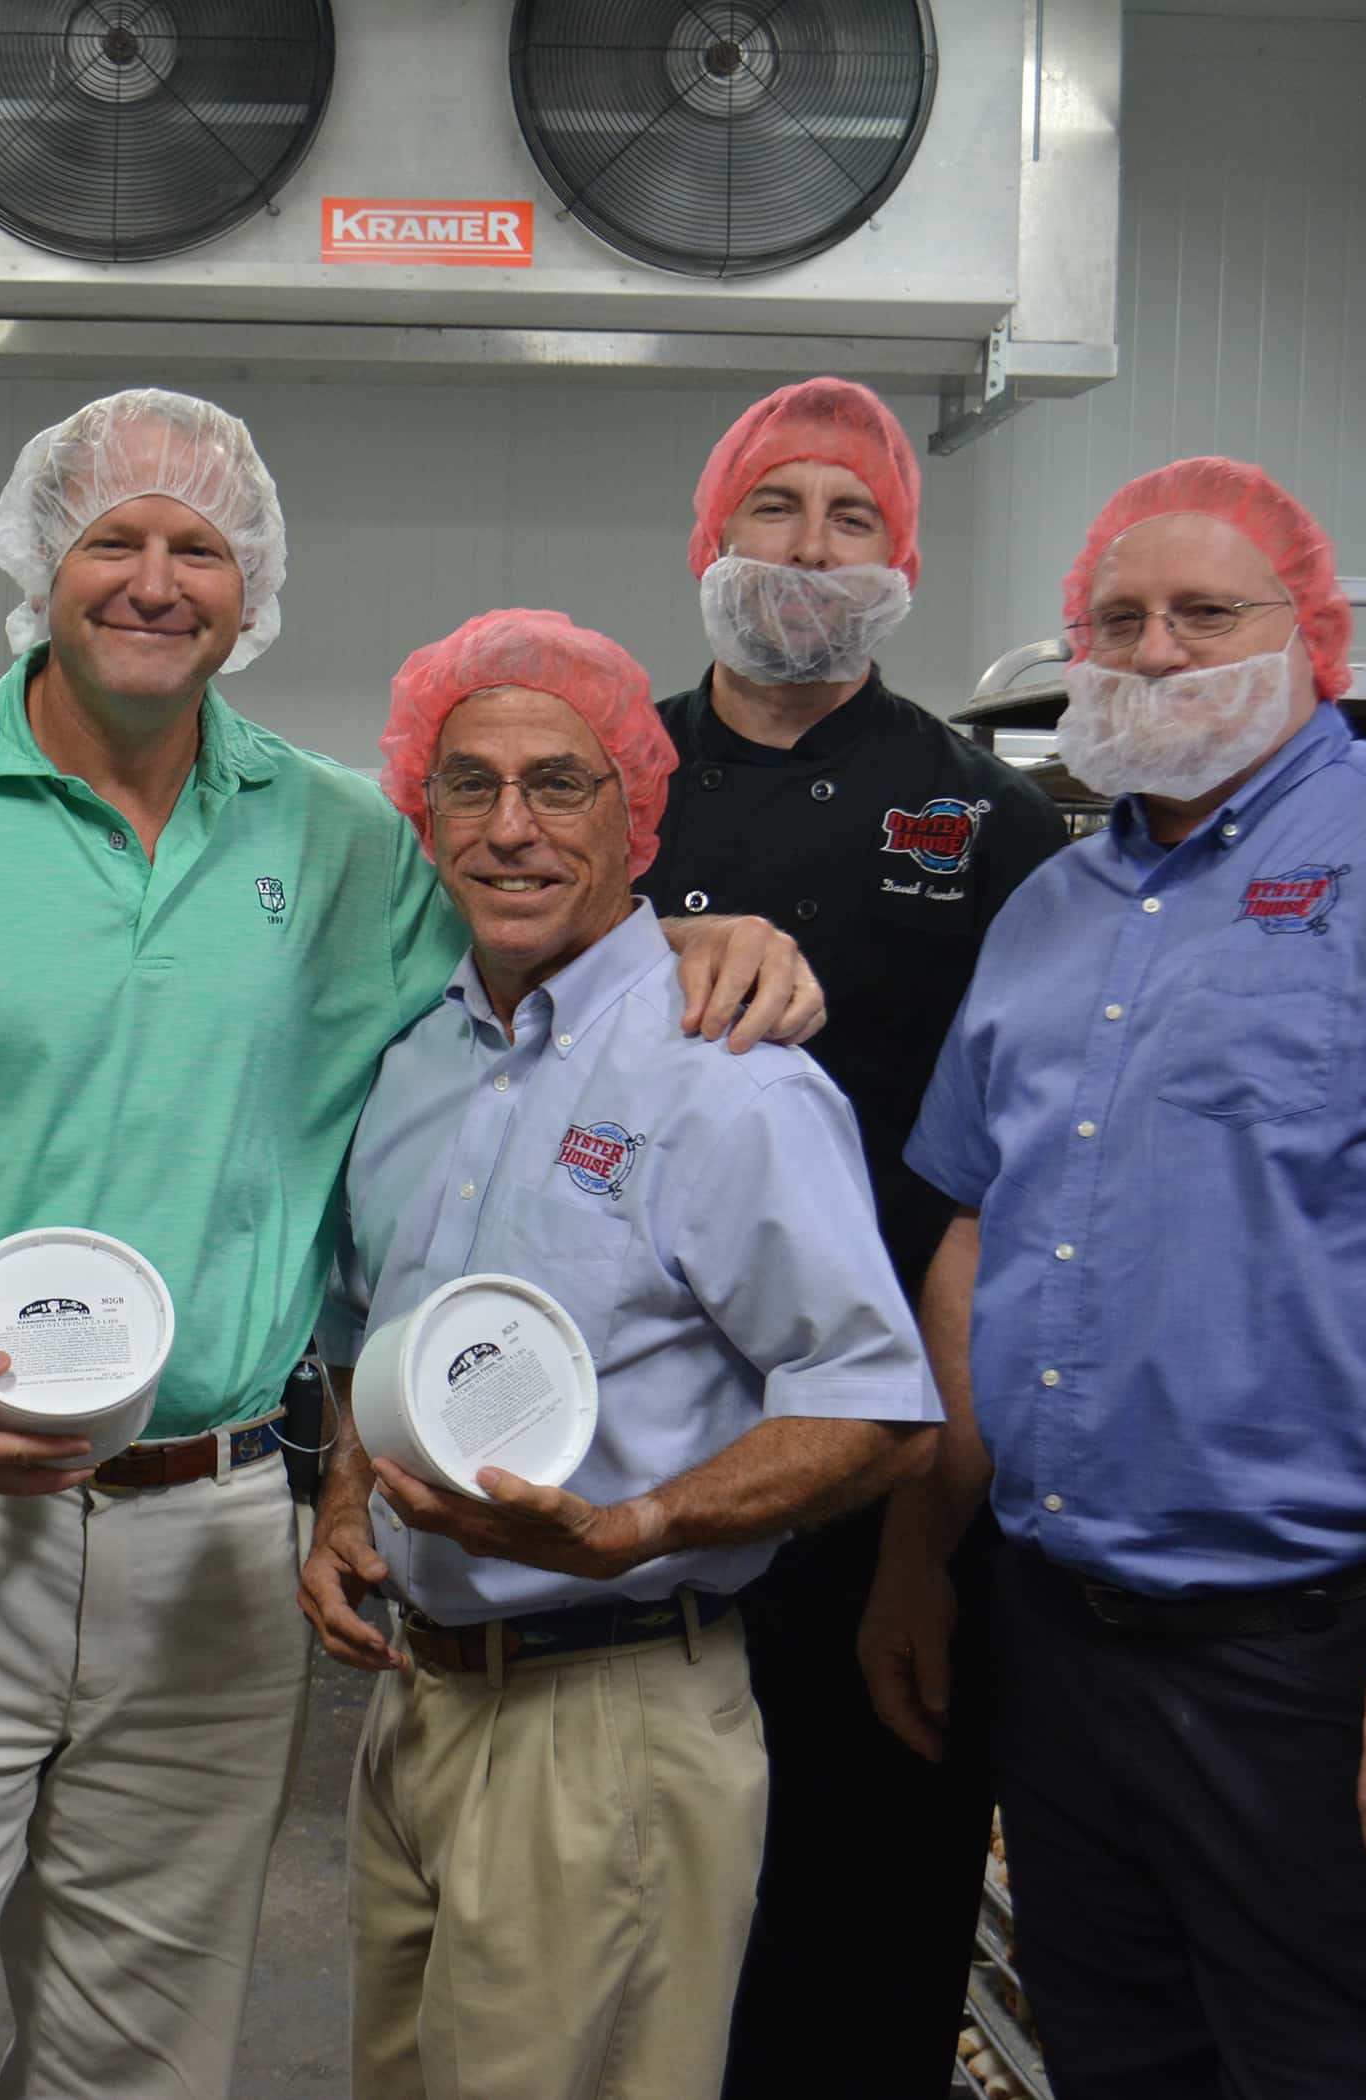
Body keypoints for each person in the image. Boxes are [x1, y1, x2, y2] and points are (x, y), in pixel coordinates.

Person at [0, 389, 824, 2100]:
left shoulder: (345, 840)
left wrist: (708, 925)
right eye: (111, 539)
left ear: (251, 584)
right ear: (37, 567)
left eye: (195, 545)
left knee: (142, 2060)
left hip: (201, 1539)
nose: (153, 578)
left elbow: (548, 897)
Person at [863, 457, 1366, 2099]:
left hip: (1327, 1663)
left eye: (1205, 614)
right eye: (1117, 619)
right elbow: (975, 1237)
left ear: (1316, 637)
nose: (1154, 651)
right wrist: (919, 1551)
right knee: (1120, 2066)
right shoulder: (1051, 910)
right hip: (1066, 1656)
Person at [304, 608, 939, 2100]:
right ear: (423, 809)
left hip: (609, 1715)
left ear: (634, 814)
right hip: (419, 1705)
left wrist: (634, 1525)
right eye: (468, 784)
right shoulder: (413, 1066)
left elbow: (873, 1406)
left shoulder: (726, 1081)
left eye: (558, 785)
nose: (509, 828)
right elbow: (363, 1336)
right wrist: (347, 1498)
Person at [635, 376, 1065, 2098]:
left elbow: (1014, 1188)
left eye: (851, 517)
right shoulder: (609, 778)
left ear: (901, 560)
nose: (808, 548)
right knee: (640, 1893)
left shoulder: (989, 823)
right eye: (773, 508)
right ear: (708, 539)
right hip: (638, 1434)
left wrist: (927, 1518)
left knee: (866, 1906)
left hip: (896, 1455)